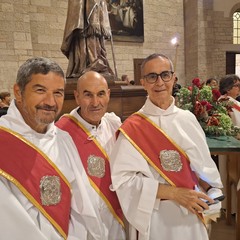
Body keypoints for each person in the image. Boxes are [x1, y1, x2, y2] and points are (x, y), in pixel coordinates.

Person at [110, 53, 223, 240]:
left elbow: (203, 169)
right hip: (155, 219)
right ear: (143, 82)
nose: (159, 82)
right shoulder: (132, 127)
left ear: (174, 78)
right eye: (152, 76)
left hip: (193, 215)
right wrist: (174, 193)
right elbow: (123, 181)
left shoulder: (188, 119)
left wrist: (212, 190)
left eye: (165, 75)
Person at [0, 57, 104, 240]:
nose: (50, 101)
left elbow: (83, 205)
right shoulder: (4, 141)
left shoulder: (63, 139)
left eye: (58, 93)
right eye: (40, 90)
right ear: (18, 91)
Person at [56, 71, 126, 240]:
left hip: (117, 222)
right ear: (77, 96)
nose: (95, 102)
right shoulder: (61, 134)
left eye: (101, 94)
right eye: (88, 95)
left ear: (108, 95)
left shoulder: (114, 124)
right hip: (82, 227)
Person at [61, 0, 114, 79]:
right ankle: (83, 66)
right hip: (83, 25)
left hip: (96, 20)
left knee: (96, 39)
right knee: (84, 38)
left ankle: (95, 63)